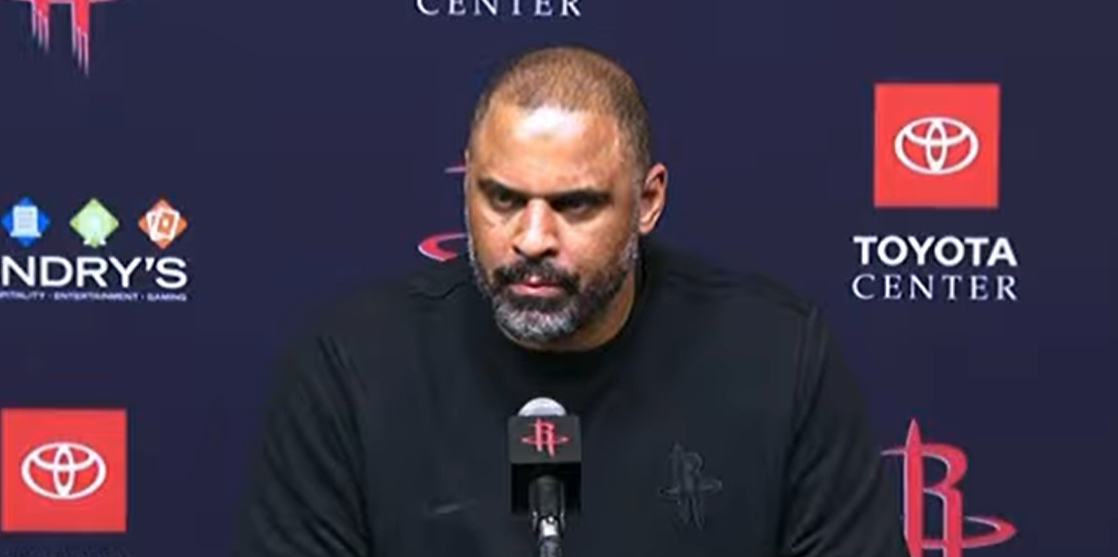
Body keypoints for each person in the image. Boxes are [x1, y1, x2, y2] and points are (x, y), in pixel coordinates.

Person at [232, 44, 909, 557]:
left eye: (575, 205)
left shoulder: (774, 358)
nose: (531, 238)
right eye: (502, 199)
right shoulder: (353, 366)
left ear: (648, 200)